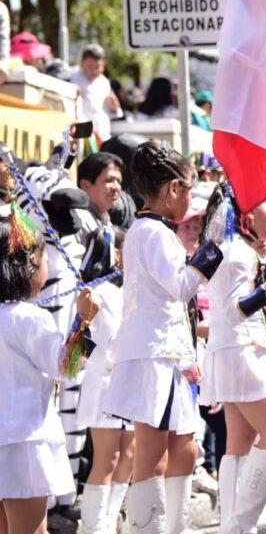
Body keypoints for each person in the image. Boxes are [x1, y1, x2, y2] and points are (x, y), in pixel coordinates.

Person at [101, 141, 224, 533]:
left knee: (185, 449)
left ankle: (173, 527)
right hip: (153, 355)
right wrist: (212, 249)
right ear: (173, 189)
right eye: (188, 189)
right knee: (152, 457)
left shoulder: (153, 231)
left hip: (167, 354)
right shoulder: (151, 231)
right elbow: (181, 287)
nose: (190, 198)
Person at [198, 185, 266, 532]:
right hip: (241, 353)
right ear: (248, 214)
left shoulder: (233, 250)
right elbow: (233, 310)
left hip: (237, 353)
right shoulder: (239, 253)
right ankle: (237, 526)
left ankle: (235, 524)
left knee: (240, 443)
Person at [0, 209, 99, 534]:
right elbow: (64, 366)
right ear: (27, 266)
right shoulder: (28, 318)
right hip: (24, 441)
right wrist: (83, 320)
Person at [76, 227, 134, 534]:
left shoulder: (137, 288)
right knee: (107, 458)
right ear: (117, 254)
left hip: (133, 379)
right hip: (107, 378)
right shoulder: (98, 291)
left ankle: (110, 522)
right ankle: (92, 528)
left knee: (130, 455)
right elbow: (104, 335)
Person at [69, 44, 122, 139]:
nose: (93, 71)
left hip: (102, 133)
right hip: (81, 133)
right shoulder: (73, 79)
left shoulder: (104, 82)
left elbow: (114, 112)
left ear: (103, 65)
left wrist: (114, 107)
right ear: (82, 63)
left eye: (97, 67)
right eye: (90, 66)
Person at [77, 152, 124, 224]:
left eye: (119, 181)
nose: (116, 187)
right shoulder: (78, 221)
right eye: (109, 180)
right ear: (85, 185)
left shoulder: (105, 218)